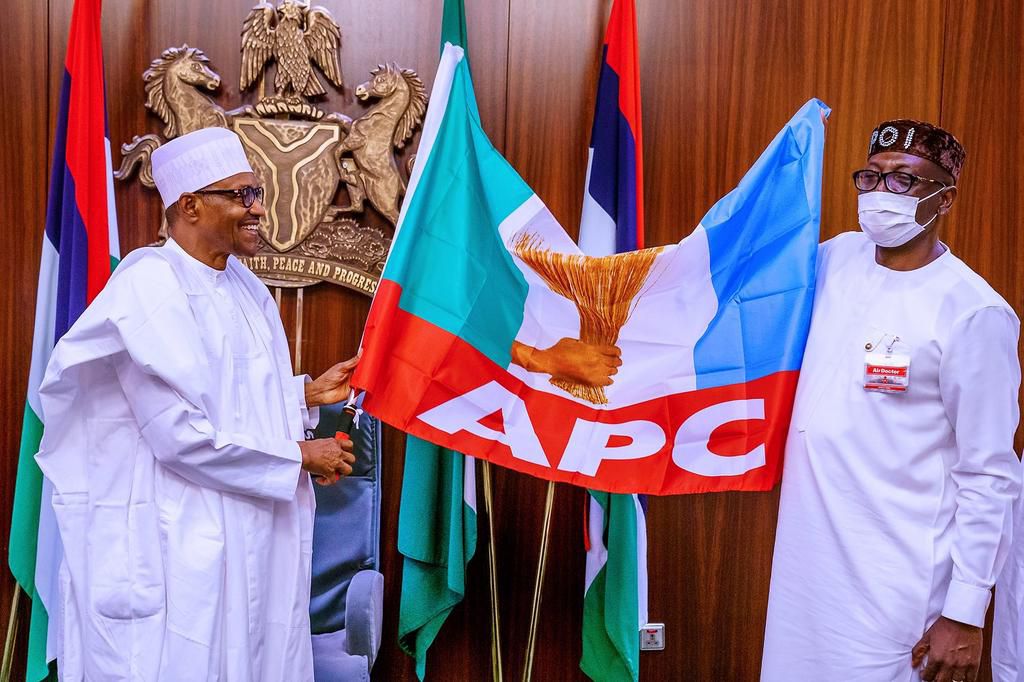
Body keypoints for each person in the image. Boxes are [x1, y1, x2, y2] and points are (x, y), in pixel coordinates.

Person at [35, 126, 358, 681]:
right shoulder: (149, 289)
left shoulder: (243, 288)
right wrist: (299, 457)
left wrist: (302, 394)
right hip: (179, 538)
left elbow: (224, 394)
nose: (258, 209)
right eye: (242, 195)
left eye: (255, 193)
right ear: (189, 205)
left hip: (247, 528)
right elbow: (178, 435)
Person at [761, 120, 1021, 682]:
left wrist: (965, 612)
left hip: (896, 580)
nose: (882, 194)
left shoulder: (973, 312)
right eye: (872, 178)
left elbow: (990, 473)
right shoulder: (836, 259)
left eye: (904, 181)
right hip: (807, 568)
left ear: (944, 198)